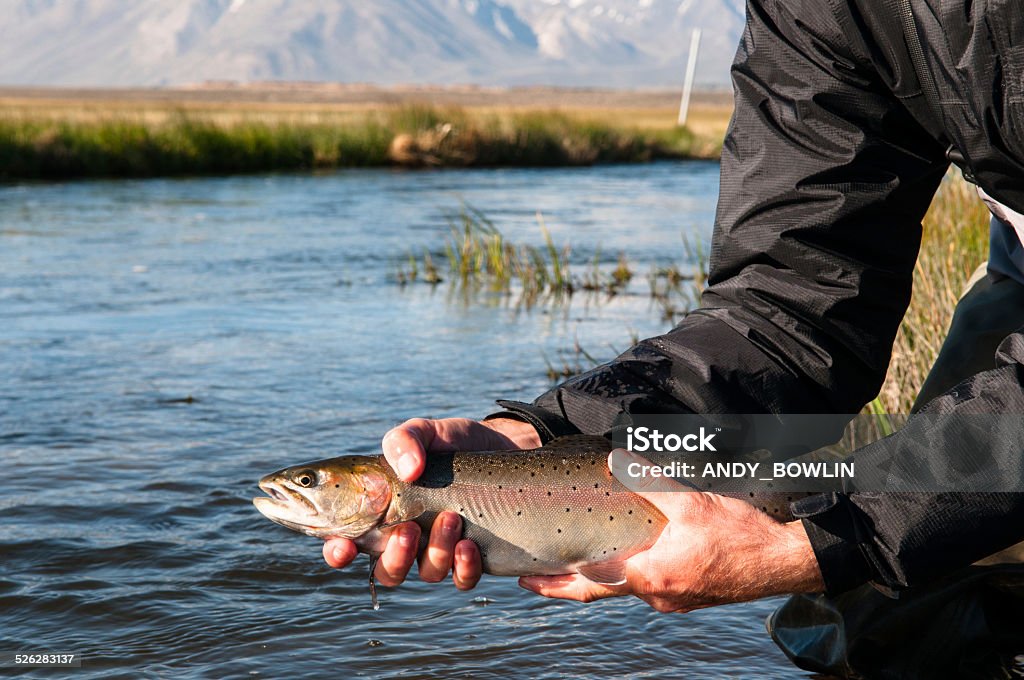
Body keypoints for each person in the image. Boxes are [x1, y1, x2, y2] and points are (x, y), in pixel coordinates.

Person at [325, 0, 1024, 675]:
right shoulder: (814, 10)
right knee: (888, 624)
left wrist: (815, 545)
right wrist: (549, 437)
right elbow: (787, 306)